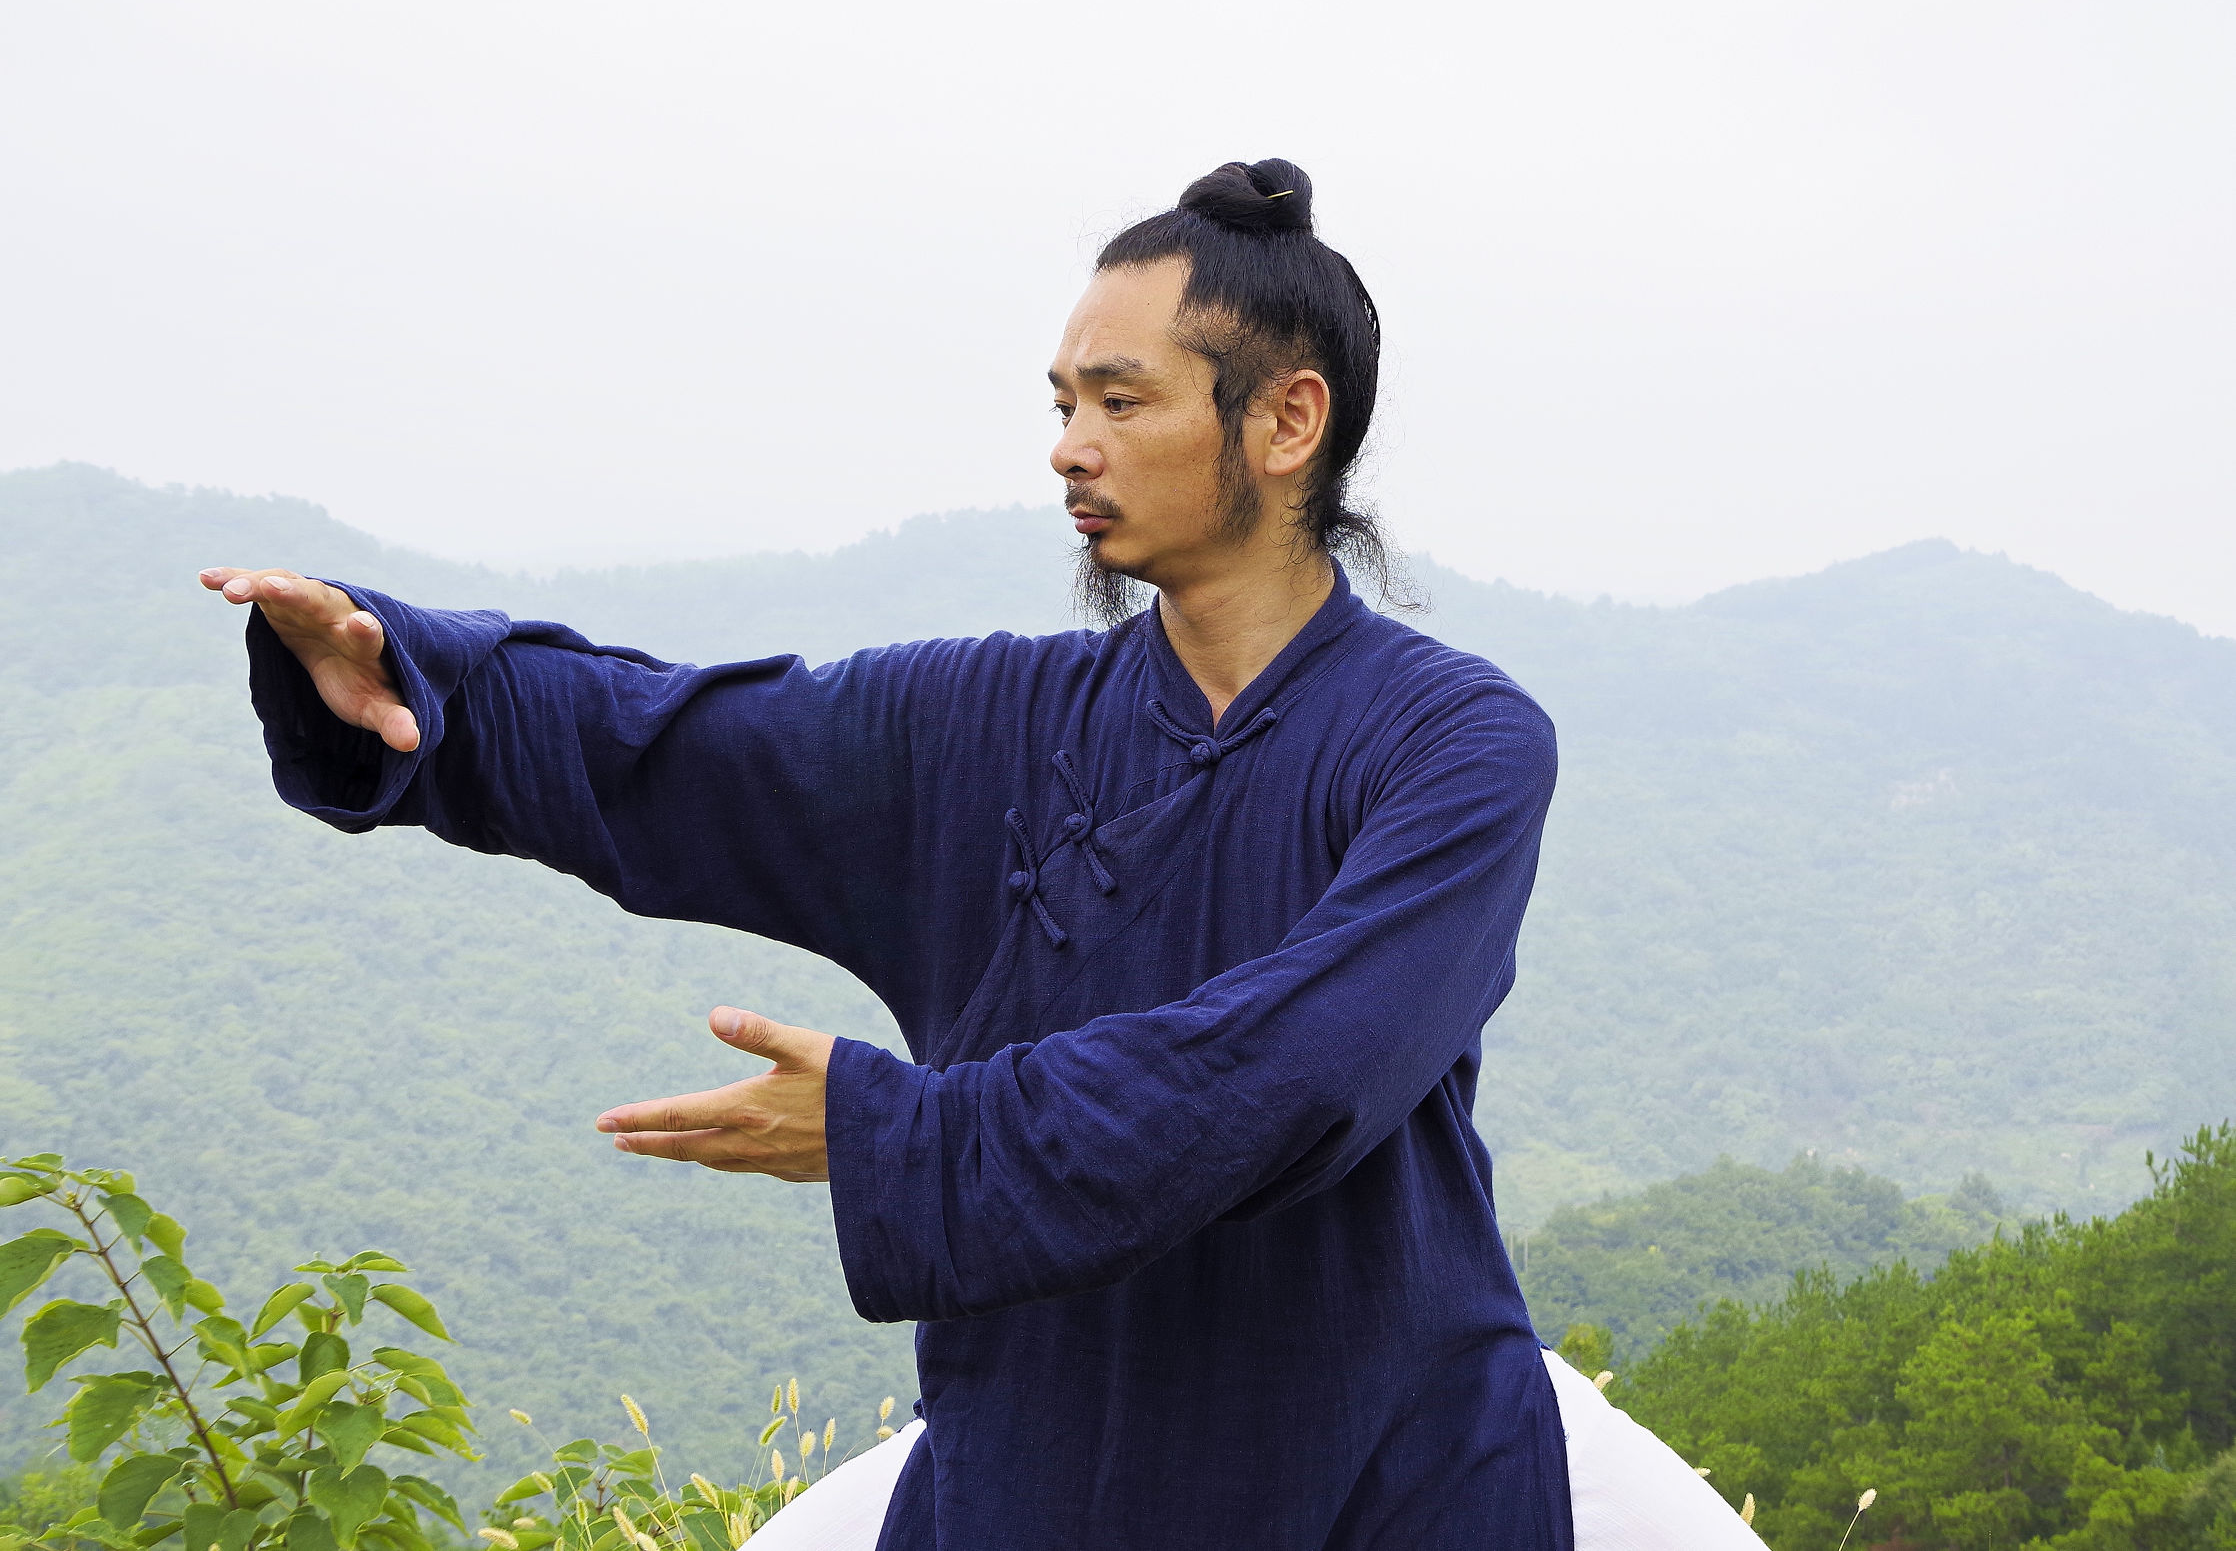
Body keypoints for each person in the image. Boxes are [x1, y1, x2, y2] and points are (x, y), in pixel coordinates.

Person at [205, 160, 1764, 1550]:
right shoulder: (986, 723)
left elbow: (1297, 1077)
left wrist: (896, 1136)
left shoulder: (1457, 745)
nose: (1071, 448)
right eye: (1060, 402)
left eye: (1123, 400)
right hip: (1041, 1470)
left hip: (1382, 1479)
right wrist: (414, 672)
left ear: (1287, 421)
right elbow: (677, 741)